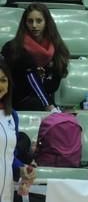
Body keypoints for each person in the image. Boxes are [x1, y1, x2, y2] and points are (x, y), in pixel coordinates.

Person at [1, 3, 70, 112]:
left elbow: (53, 86)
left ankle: (49, 107)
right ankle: (49, 107)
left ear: (46, 22)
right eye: (30, 21)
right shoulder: (12, 48)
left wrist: (41, 79)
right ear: (25, 23)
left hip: (42, 101)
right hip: (17, 102)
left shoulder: (57, 50)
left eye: (39, 21)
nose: (34, 25)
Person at [0, 59, 36, 202]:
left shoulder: (12, 115)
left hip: (5, 192)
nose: (0, 85)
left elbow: (9, 156)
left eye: (3, 80)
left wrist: (24, 170)